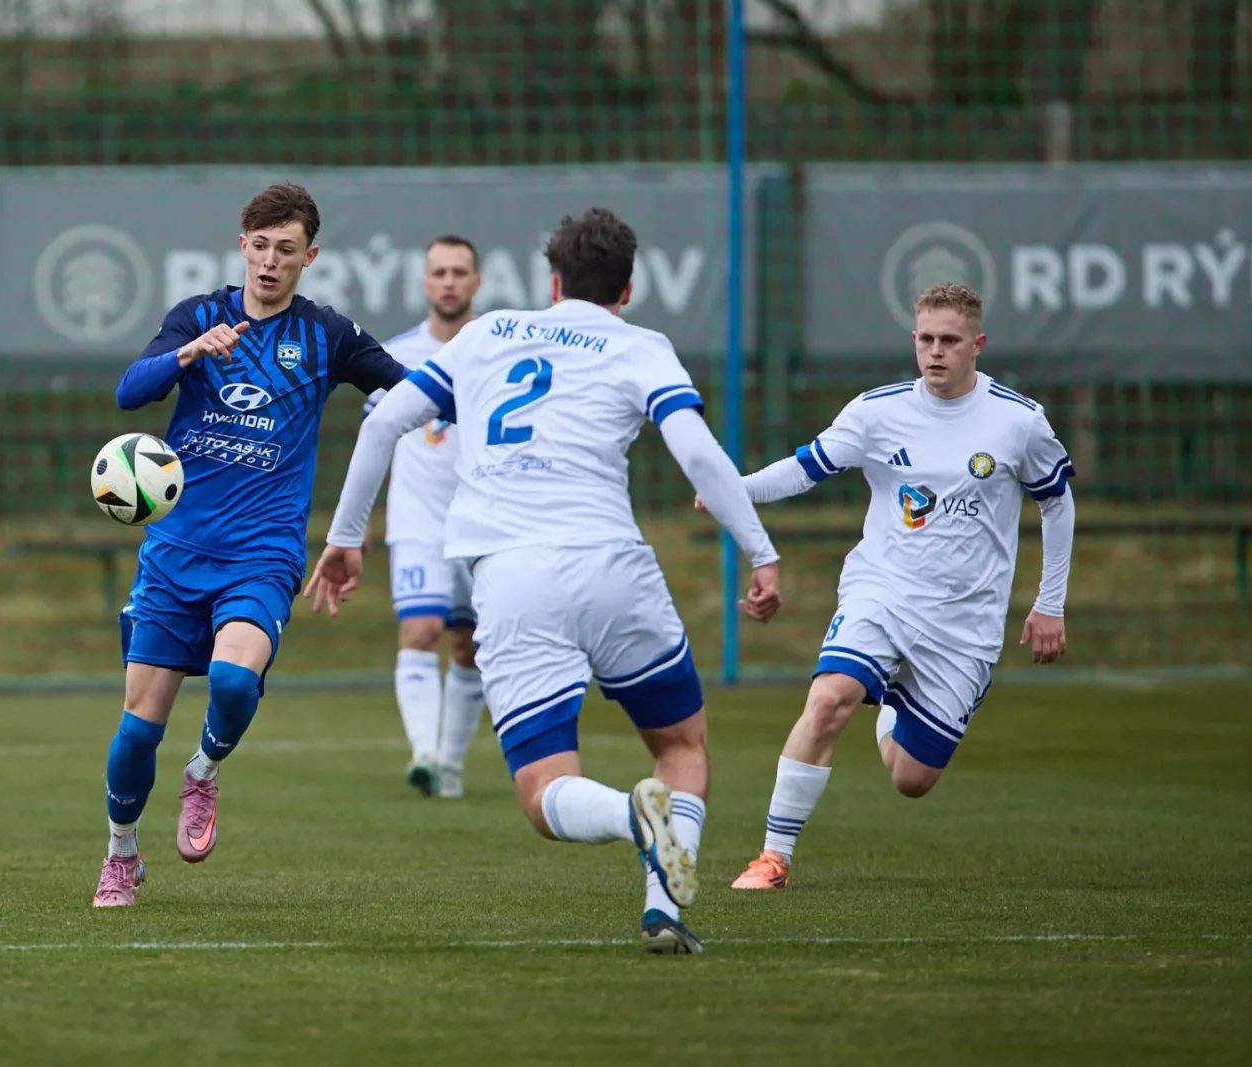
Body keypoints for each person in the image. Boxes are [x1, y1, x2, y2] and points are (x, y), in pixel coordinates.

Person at [304, 208, 784, 954]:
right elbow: (698, 455)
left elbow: (382, 424)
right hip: (613, 566)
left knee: (542, 791)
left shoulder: (486, 333)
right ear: (627, 289)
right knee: (682, 746)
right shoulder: (641, 345)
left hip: (512, 578)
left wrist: (344, 537)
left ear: (553, 282)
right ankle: (662, 904)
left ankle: (629, 817)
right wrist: (760, 550)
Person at [92, 182, 410, 908]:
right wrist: (186, 355)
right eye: (260, 246)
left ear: (309, 257)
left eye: (286, 250)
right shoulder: (197, 317)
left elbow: (407, 387)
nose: (270, 261)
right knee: (137, 731)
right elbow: (129, 393)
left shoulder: (328, 336)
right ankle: (121, 853)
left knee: (234, 683)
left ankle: (202, 773)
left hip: (263, 552)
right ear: (243, 245)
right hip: (175, 552)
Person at [712, 282, 1074, 891]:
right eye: (925, 339)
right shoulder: (876, 412)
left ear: (978, 344)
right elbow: (805, 469)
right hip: (882, 593)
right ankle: (773, 858)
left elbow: (1057, 503)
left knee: (912, 779)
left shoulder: (1019, 421)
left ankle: (890, 700)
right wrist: (733, 489)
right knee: (829, 699)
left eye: (950, 340)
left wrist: (1050, 603)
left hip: (965, 624)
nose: (936, 351)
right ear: (914, 340)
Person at [365, 236, 488, 799]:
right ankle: (425, 754)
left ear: (476, 282)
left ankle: (452, 766)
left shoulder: (495, 351)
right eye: (439, 272)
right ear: (424, 283)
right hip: (417, 522)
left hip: (482, 525)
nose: (449, 282)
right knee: (421, 630)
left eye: (459, 272)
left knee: (470, 646)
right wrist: (358, 523)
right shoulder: (396, 356)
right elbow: (375, 440)